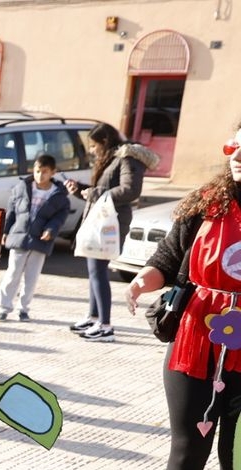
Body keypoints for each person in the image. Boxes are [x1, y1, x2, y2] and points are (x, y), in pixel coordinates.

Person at [123, 128, 241, 470]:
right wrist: (143, 280)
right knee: (189, 444)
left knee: (236, 453)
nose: (237, 156)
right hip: (196, 340)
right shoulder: (206, 203)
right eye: (232, 146)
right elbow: (167, 259)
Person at [65, 122, 159, 342]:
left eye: (94, 145)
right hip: (102, 220)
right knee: (94, 271)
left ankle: (105, 326)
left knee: (98, 272)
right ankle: (94, 316)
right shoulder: (112, 159)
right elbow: (104, 192)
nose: (92, 150)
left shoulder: (127, 158)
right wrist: (80, 190)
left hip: (111, 223)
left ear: (104, 142)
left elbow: (130, 190)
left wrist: (94, 192)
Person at [0, 153, 71, 322]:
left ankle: (23, 309)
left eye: (44, 172)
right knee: (12, 274)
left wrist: (50, 230)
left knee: (31, 277)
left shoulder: (59, 196)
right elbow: (12, 211)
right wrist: (5, 231)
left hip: (40, 241)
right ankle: (3, 307)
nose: (40, 175)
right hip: (19, 237)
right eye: (37, 171)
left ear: (53, 172)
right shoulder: (22, 187)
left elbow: (59, 218)